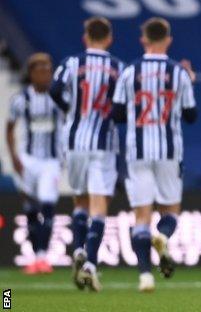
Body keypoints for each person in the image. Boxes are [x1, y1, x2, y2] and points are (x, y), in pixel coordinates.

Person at [111, 17, 197, 292]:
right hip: (169, 151)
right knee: (171, 210)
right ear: (168, 40)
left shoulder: (129, 72)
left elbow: (117, 114)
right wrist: (189, 83)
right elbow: (191, 115)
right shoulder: (179, 73)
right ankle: (163, 235)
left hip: (138, 151)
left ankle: (145, 276)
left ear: (143, 40)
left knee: (141, 216)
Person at [49, 17, 124, 291]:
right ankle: (91, 262)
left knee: (80, 198)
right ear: (109, 38)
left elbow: (55, 90)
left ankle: (78, 248)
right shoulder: (118, 68)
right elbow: (122, 107)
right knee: (100, 201)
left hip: (75, 140)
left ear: (85, 37)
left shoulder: (71, 63)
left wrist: (71, 108)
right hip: (104, 143)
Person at [6, 53, 63, 275]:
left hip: (50, 161)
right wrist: (14, 159)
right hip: (28, 160)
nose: (44, 74)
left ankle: (42, 258)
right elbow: (9, 129)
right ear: (31, 74)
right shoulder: (22, 100)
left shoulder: (59, 98)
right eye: (39, 70)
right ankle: (35, 257)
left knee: (48, 205)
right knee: (30, 208)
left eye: (47, 70)